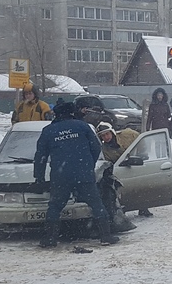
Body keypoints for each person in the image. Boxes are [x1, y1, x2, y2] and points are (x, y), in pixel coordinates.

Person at [34, 100, 118, 248]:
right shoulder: (82, 126)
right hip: (83, 174)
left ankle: (50, 238)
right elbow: (96, 148)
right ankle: (106, 235)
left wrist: (39, 177)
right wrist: (88, 165)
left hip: (61, 177)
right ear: (71, 112)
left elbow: (40, 156)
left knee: (54, 206)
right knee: (96, 204)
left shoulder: (49, 131)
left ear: (56, 114)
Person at [96, 121, 140, 229]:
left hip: (138, 164)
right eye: (103, 135)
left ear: (112, 132)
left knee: (141, 186)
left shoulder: (128, 134)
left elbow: (141, 142)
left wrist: (141, 154)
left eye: (107, 134)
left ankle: (143, 207)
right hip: (122, 170)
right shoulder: (104, 151)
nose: (106, 137)